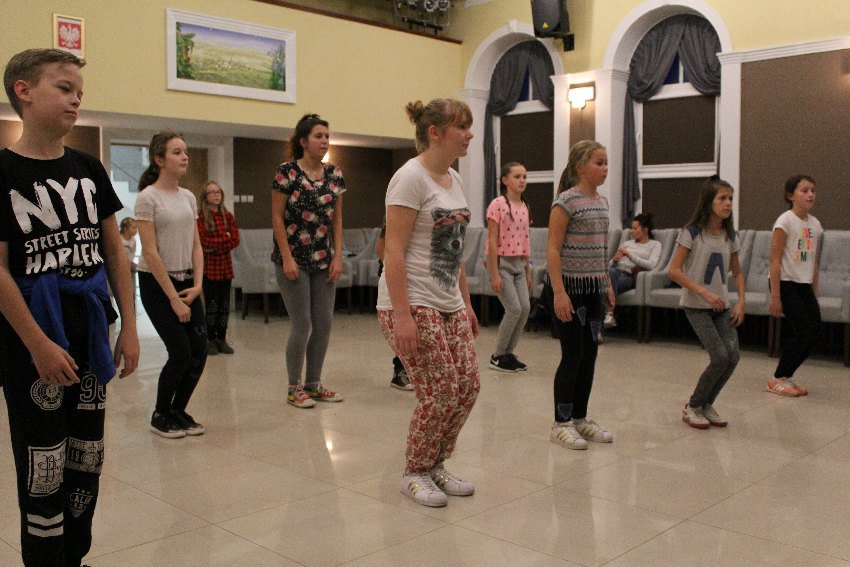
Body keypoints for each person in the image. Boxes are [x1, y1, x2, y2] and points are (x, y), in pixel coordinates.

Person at [0, 48, 139, 567]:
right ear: (24, 91)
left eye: (79, 91)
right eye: (64, 88)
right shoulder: (4, 171)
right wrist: (37, 344)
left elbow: (114, 251)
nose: (76, 99)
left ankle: (74, 555)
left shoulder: (88, 168)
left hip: (89, 329)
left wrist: (127, 327)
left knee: (86, 456)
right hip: (32, 337)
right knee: (44, 461)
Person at [377, 98, 480, 508]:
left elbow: (455, 249)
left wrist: (466, 304)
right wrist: (402, 316)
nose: (469, 134)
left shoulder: (453, 178)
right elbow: (393, 250)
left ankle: (436, 463)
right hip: (411, 301)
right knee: (440, 391)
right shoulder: (409, 178)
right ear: (435, 133)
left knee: (467, 387)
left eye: (469, 126)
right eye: (461, 127)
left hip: (448, 301)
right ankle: (414, 472)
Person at [135, 132, 207, 438]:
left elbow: (196, 245)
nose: (184, 156)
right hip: (156, 283)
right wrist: (174, 300)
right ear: (159, 159)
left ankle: (178, 411)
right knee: (180, 351)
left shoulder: (188, 197)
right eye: (177, 152)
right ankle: (160, 414)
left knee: (199, 351)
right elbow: (150, 253)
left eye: (185, 151)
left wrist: (198, 284)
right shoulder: (148, 197)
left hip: (188, 280)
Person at [271, 113, 345, 408]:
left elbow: (337, 219)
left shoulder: (334, 174)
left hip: (323, 259)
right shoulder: (286, 172)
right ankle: (294, 387)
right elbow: (277, 217)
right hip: (293, 260)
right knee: (301, 324)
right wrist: (287, 258)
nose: (324, 141)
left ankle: (313, 384)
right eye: (318, 136)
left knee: (324, 324)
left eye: (326, 136)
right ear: (303, 141)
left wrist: (338, 255)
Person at [547, 140, 615, 450]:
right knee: (573, 355)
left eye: (606, 162)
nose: (605, 168)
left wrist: (607, 283)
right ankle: (561, 423)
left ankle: (580, 417)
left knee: (590, 354)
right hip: (570, 291)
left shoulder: (602, 202)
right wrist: (559, 292)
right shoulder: (565, 202)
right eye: (599, 163)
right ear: (580, 167)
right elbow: (553, 250)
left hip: (593, 291)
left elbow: (602, 248)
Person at [669, 176, 745, 429]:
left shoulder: (729, 235)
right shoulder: (691, 233)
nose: (728, 203)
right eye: (722, 198)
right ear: (708, 201)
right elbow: (674, 271)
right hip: (697, 307)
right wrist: (704, 293)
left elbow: (738, 272)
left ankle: (706, 404)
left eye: (730, 198)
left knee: (733, 356)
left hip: (721, 308)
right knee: (720, 357)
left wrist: (741, 302)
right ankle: (692, 406)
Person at [767, 174, 822, 397]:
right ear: (790, 196)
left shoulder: (815, 224)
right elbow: (775, 260)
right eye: (804, 190)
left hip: (803, 285)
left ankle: (787, 375)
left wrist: (815, 294)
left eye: (813, 190)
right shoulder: (785, 221)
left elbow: (813, 262)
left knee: (815, 331)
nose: (810, 195)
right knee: (804, 331)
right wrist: (776, 296)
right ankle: (777, 378)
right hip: (785, 283)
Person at [486, 162, 532, 372]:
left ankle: (508, 353)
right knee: (513, 308)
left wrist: (528, 270)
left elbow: (525, 239)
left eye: (524, 177)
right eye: (517, 176)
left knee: (525, 308)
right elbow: (492, 239)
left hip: (519, 264)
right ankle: (498, 355)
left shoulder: (524, 206)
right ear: (505, 180)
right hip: (501, 263)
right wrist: (494, 273)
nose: (522, 180)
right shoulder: (497, 204)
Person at [197, 181, 240, 356]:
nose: (216, 195)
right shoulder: (201, 217)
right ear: (205, 196)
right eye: (211, 192)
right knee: (212, 306)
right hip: (209, 269)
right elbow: (204, 242)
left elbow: (235, 240)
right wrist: (225, 238)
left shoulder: (227, 216)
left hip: (225, 268)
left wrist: (217, 244)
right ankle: (210, 339)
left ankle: (221, 339)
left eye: (218, 192)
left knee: (224, 306)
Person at [604, 212, 662, 328]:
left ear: (645, 230)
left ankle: (608, 313)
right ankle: (606, 319)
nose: (632, 231)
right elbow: (609, 266)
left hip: (630, 276)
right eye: (632, 228)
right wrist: (615, 260)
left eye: (635, 228)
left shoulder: (655, 245)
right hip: (615, 273)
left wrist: (631, 256)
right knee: (606, 278)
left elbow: (651, 265)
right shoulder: (627, 243)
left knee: (606, 282)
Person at [374, 224, 413, 391]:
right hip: (396, 274)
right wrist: (394, 269)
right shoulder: (396, 216)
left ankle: (410, 370)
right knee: (403, 326)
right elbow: (380, 246)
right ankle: (400, 371)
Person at [119, 217, 138, 301]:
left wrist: (129, 262)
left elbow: (133, 253)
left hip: (128, 264)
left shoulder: (133, 241)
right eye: (133, 228)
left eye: (136, 228)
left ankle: (131, 295)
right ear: (125, 229)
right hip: (118, 264)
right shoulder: (119, 238)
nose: (136, 230)